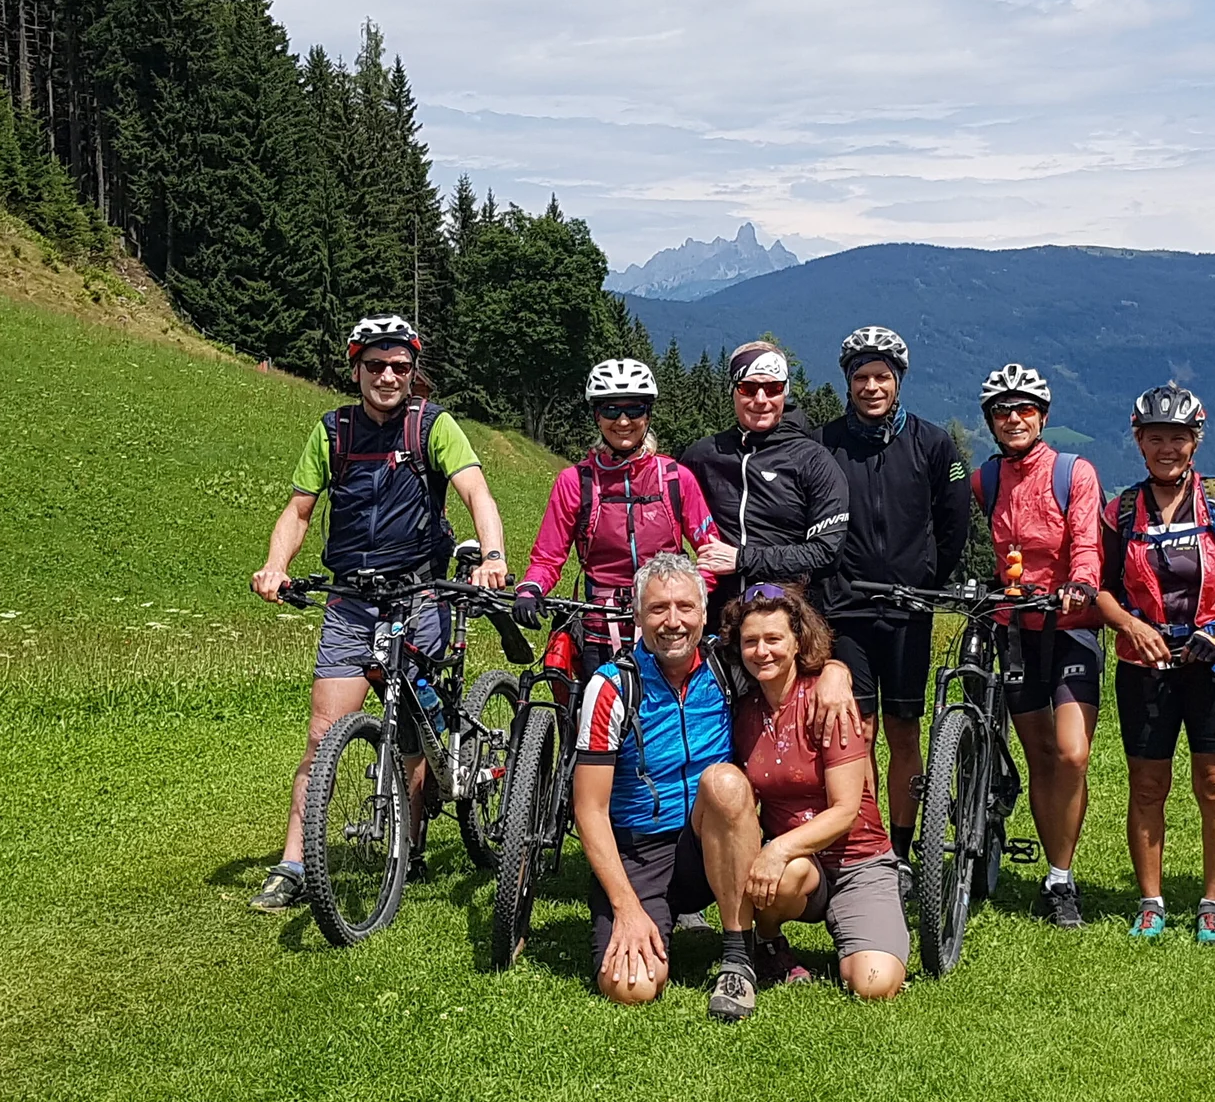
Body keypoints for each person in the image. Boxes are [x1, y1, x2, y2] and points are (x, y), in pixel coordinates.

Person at [248, 316, 508, 913]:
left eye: (399, 367)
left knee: (413, 733)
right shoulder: (333, 431)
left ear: (412, 371)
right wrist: (274, 565)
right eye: (375, 366)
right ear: (356, 368)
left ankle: (407, 841)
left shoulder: (431, 426)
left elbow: (476, 493)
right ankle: (293, 865)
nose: (387, 376)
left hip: (419, 594)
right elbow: (298, 511)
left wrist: (491, 555)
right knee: (321, 738)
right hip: (351, 600)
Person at [1094, 383, 1215, 946]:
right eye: (1156, 438)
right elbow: (1098, 588)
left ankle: (1212, 904)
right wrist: (1132, 626)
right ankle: (1151, 904)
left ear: (1194, 442)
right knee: (1147, 785)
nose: (1166, 447)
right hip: (1144, 661)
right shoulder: (1120, 510)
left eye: (1177, 437)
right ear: (1139, 441)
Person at [571, 552, 766, 1022]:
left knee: (723, 782)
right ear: (637, 616)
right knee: (631, 987)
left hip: (708, 839)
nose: (673, 622)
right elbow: (590, 811)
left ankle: (739, 955)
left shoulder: (726, 664)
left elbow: (799, 666)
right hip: (637, 851)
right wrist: (626, 908)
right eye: (658, 609)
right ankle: (655, 917)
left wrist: (838, 676)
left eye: (685, 607)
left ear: (704, 613)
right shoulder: (613, 686)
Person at [818, 326, 972, 892]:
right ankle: (866, 843)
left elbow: (955, 521)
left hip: (911, 608)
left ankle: (902, 850)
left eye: (882, 377)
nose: (871, 386)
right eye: (861, 377)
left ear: (899, 381)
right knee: (855, 729)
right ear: (848, 382)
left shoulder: (933, 444)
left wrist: (930, 576)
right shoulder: (825, 442)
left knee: (905, 730)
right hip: (848, 606)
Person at [725, 583, 909, 998]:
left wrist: (775, 849)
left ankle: (858, 933)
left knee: (874, 984)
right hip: (800, 867)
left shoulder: (828, 701)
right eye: (751, 641)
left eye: (774, 639)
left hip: (859, 861)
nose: (762, 651)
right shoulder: (743, 711)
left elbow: (846, 810)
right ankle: (769, 942)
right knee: (788, 873)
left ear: (797, 642)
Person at [970, 363, 1104, 929]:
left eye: (1025, 408)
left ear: (1043, 416)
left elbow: (1087, 541)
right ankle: (1057, 878)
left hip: (1069, 624)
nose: (1014, 418)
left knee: (1072, 753)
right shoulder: (986, 480)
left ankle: (1061, 874)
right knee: (1041, 755)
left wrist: (1081, 584)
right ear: (991, 422)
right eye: (1003, 411)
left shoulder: (1074, 472)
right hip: (1014, 631)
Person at [515, 359, 720, 676]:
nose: (623, 421)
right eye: (611, 410)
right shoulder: (576, 482)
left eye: (634, 410)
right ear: (596, 415)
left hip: (667, 628)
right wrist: (531, 588)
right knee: (591, 718)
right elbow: (548, 556)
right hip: (601, 628)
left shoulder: (675, 479)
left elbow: (711, 551)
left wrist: (690, 596)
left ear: (648, 415)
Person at [681, 341, 852, 628]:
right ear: (733, 390)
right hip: (717, 622)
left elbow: (826, 553)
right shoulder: (703, 455)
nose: (761, 399)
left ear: (785, 391)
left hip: (789, 624)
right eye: (748, 389)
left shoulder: (813, 460)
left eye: (772, 389)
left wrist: (742, 559)